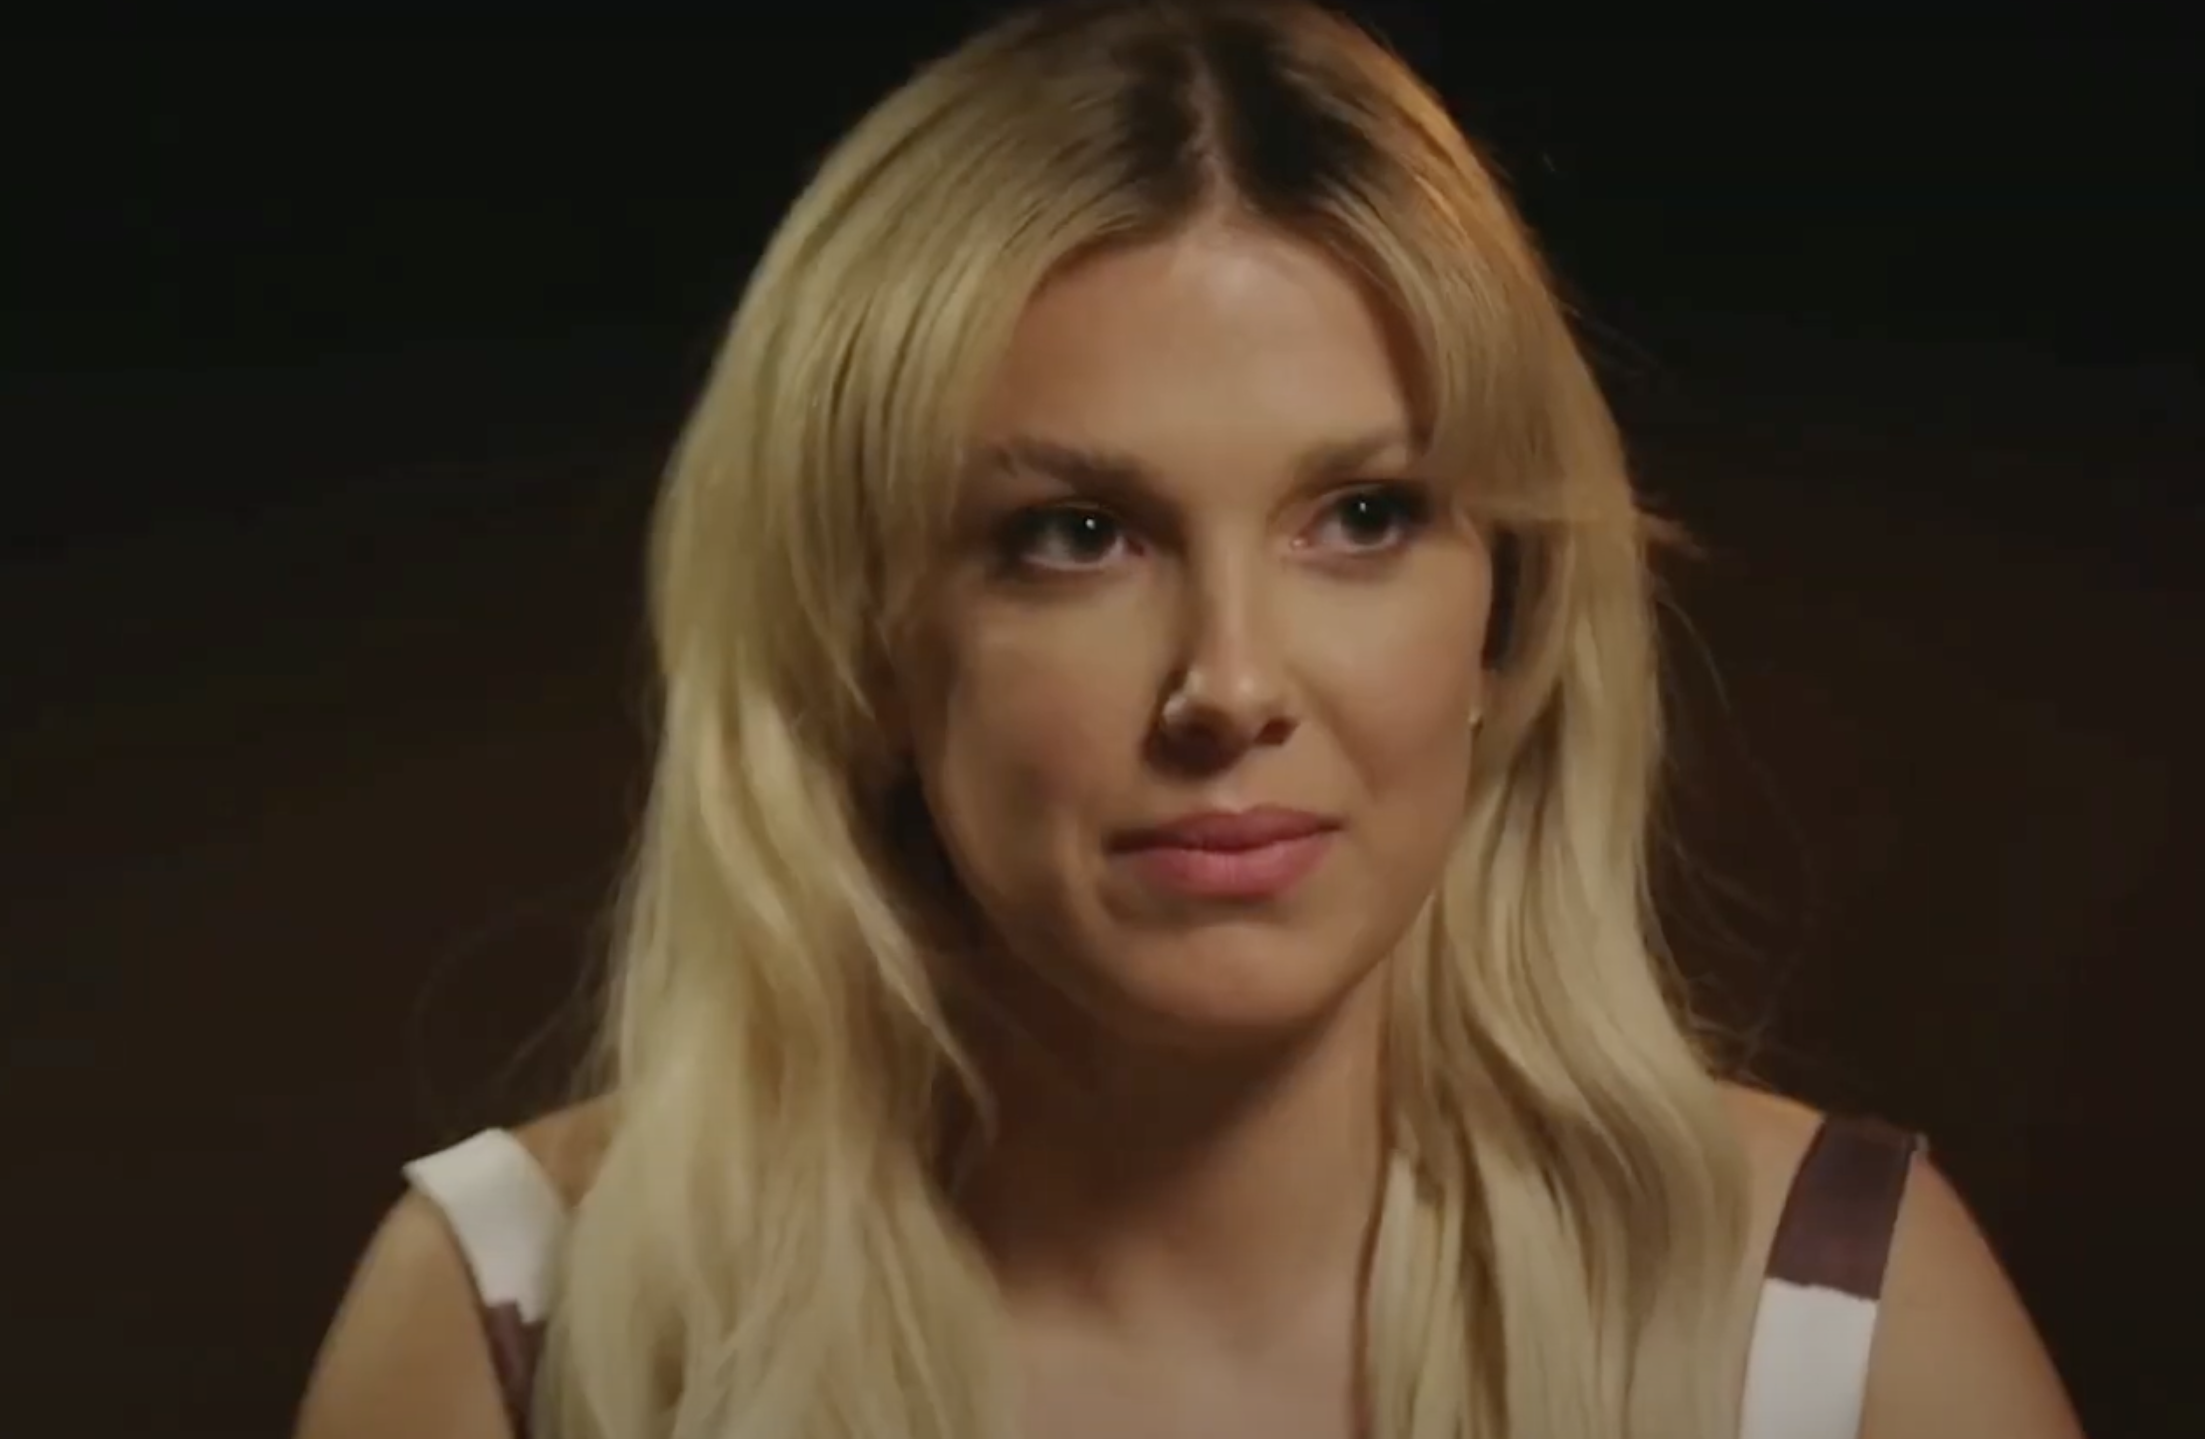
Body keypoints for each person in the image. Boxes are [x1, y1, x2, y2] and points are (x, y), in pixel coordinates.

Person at [294, 3, 2084, 1437]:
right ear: (863, 649)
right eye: (1076, 534)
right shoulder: (520, 1329)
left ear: (1511, 613)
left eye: (1362, 515)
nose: (1230, 684)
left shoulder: (1832, 1326)